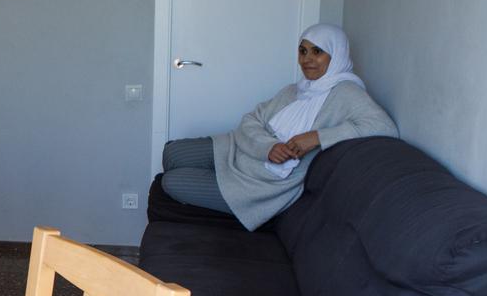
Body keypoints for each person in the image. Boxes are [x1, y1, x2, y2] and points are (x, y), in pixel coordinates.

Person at [161, 23, 397, 231]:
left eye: (318, 52)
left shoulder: (347, 93)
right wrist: (268, 146)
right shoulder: (297, 89)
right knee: (172, 152)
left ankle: (219, 184)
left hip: (259, 183)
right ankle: (216, 174)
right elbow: (251, 120)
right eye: (302, 51)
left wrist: (317, 137)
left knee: (171, 182)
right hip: (243, 150)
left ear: (336, 55)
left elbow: (384, 127)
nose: (307, 59)